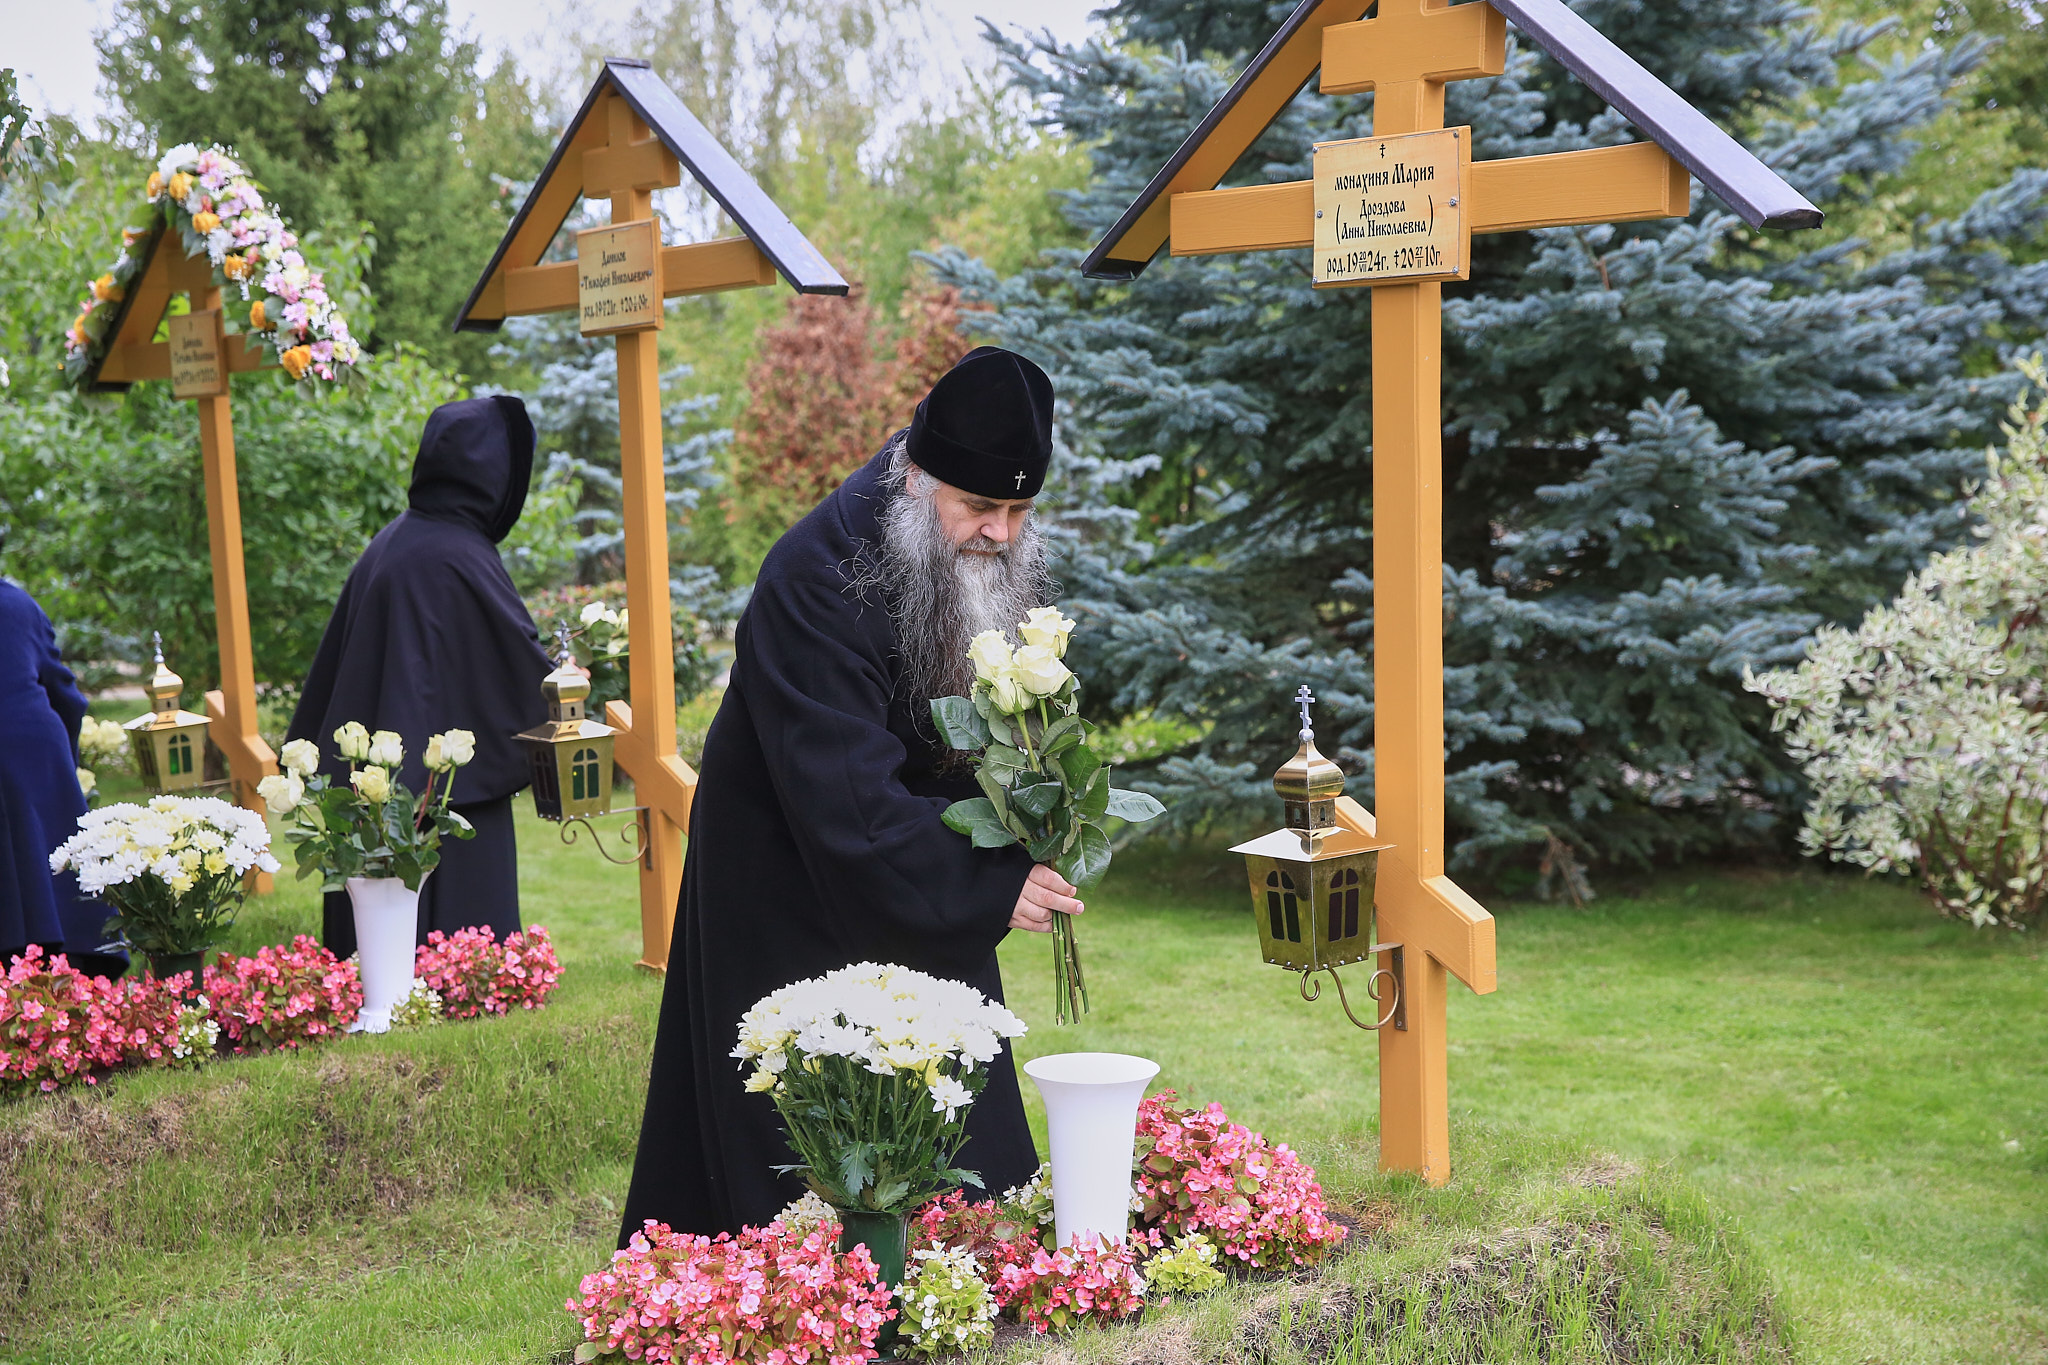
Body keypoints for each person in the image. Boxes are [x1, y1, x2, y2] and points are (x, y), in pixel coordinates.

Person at [620, 346, 1084, 1240]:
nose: (1000, 531)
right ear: (917, 480)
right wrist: (993, 879)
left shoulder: (960, 554)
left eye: (1020, 509)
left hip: (915, 869)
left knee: (959, 1139)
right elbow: (844, 796)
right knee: (810, 1154)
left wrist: (1034, 807)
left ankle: (960, 1271)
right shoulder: (813, 576)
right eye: (980, 505)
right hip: (792, 883)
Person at [286, 395, 552, 955]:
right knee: (445, 947)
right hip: (445, 803)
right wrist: (571, 681)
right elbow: (520, 673)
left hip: (378, 791)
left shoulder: (395, 540)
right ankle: (458, 977)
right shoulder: (458, 554)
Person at [0, 580, 125, 976]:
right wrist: (67, 770)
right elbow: (63, 691)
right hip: (30, 742)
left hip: (23, 737)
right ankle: (70, 963)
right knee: (47, 848)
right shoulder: (15, 602)